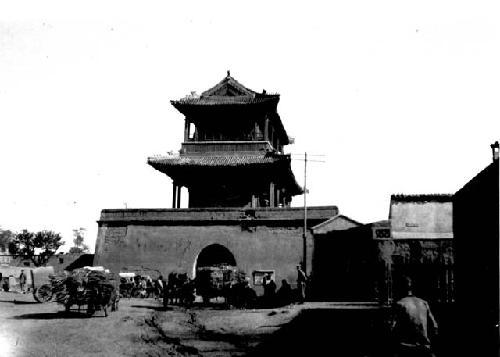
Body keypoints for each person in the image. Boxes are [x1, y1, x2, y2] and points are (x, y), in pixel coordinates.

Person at [391, 278, 438, 357]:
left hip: (406, 347)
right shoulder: (423, 303)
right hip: (425, 347)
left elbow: (391, 328)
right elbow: (435, 326)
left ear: (398, 288)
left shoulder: (399, 304)